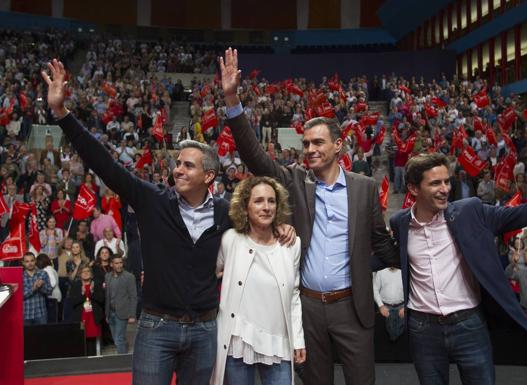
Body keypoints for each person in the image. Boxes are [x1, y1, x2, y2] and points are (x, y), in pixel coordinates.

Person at [43, 58, 294, 385]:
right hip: (156, 328)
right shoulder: (151, 199)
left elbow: (265, 213)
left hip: (205, 331)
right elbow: (104, 163)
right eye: (177, 163)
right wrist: (62, 115)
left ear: (208, 176)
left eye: (188, 166)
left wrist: (281, 227)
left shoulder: (225, 212)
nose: (177, 169)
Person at [220, 48, 398, 385]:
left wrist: (405, 256)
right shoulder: (295, 180)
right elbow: (256, 158)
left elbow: (380, 243)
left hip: (352, 307)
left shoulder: (364, 188)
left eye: (318, 142)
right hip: (308, 308)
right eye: (305, 144)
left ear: (339, 146)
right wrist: (232, 99)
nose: (310, 149)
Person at [389, 143, 527, 385]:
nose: (444, 189)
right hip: (422, 330)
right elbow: (380, 255)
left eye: (447, 182)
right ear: (413, 188)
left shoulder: (470, 211)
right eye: (435, 183)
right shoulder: (400, 223)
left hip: (469, 325)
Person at [212, 176, 305, 385]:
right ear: (245, 207)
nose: (266, 207)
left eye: (271, 201)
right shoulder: (230, 239)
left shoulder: (292, 245)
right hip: (238, 339)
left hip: (278, 341)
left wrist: (298, 339)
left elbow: (294, 295)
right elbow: (210, 274)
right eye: (259, 201)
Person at [68, 265, 105, 355]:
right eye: (83, 272)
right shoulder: (76, 285)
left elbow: (102, 299)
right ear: (80, 274)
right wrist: (82, 293)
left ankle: (95, 358)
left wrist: (92, 292)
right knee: (82, 339)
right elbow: (73, 302)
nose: (86, 273)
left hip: (94, 317)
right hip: (82, 317)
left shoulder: (97, 284)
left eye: (88, 271)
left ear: (91, 274)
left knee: (93, 339)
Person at [105, 255, 137, 354]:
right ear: (111, 264)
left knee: (119, 339)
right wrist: (107, 314)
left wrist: (132, 315)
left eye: (120, 263)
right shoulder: (107, 276)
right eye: (116, 263)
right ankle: (124, 349)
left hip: (122, 312)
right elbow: (108, 296)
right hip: (111, 312)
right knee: (117, 339)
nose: (119, 265)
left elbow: (133, 297)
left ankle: (122, 360)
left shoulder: (129, 277)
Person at [372, 267, 405, 341]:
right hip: (385, 309)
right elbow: (375, 289)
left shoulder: (403, 272)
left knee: (402, 340)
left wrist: (406, 307)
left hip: (402, 309)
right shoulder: (381, 272)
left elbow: (410, 290)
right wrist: (381, 306)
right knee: (384, 339)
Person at [23, 252, 52, 325]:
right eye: (27, 261)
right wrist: (34, 288)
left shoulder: (43, 273)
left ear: (35, 261)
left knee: (42, 336)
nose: (30, 263)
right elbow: (21, 296)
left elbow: (49, 291)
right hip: (26, 314)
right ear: (23, 263)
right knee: (27, 336)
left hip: (40, 314)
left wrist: (41, 287)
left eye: (32, 260)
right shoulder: (20, 276)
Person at [36, 253, 62, 324]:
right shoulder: (50, 268)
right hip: (55, 296)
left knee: (52, 320)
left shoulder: (47, 270)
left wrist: (42, 285)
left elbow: (52, 283)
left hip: (52, 297)